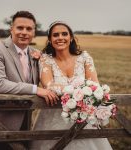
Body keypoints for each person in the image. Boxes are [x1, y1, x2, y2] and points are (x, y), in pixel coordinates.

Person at [30, 21, 113, 149]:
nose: (60, 38)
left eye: (64, 34)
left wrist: (80, 91)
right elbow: (49, 86)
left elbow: (94, 86)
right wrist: (81, 89)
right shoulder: (45, 59)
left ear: (71, 37)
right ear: (50, 40)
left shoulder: (85, 58)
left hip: (83, 118)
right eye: (55, 35)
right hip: (53, 118)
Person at [0, 11, 58, 150]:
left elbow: (49, 81)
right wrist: (37, 89)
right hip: (1, 122)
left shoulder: (35, 54)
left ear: (34, 32)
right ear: (11, 29)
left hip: (27, 121)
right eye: (20, 28)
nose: (24, 32)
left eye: (29, 29)